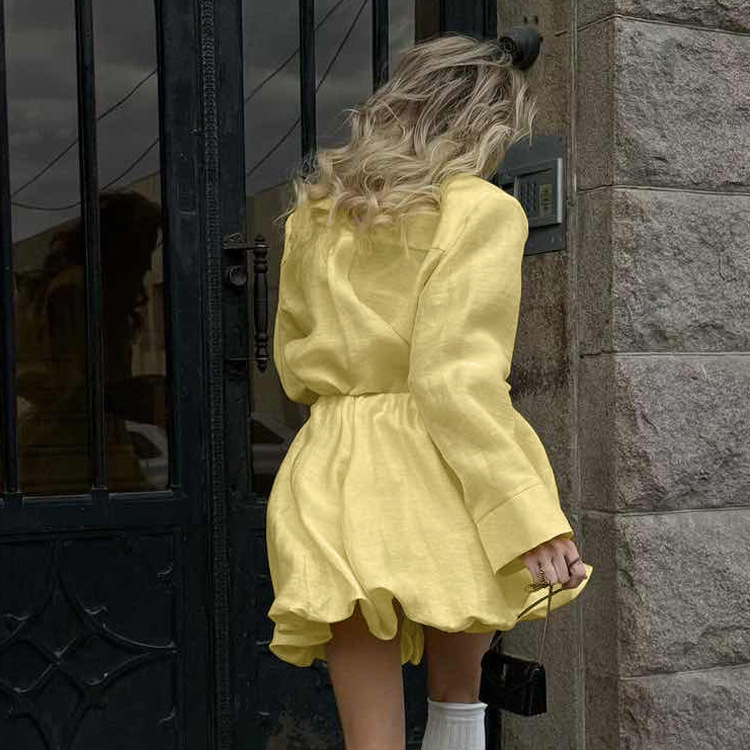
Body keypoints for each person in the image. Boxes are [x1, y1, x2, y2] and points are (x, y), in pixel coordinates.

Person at [267, 33, 593, 750]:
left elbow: (292, 367)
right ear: (488, 123)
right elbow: (454, 378)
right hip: (440, 466)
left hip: (333, 461)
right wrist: (527, 515)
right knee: (457, 700)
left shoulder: (312, 217)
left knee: (370, 739)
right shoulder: (479, 209)